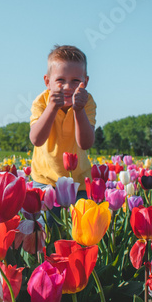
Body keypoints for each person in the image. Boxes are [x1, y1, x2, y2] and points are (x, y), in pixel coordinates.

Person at [29, 45, 96, 201]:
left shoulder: (86, 102)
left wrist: (79, 110)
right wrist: (52, 108)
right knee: (46, 225)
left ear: (85, 82)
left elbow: (85, 143)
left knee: (78, 224)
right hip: (44, 181)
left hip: (78, 181)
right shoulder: (42, 102)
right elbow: (36, 139)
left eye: (75, 81)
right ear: (47, 81)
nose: (67, 87)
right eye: (60, 80)